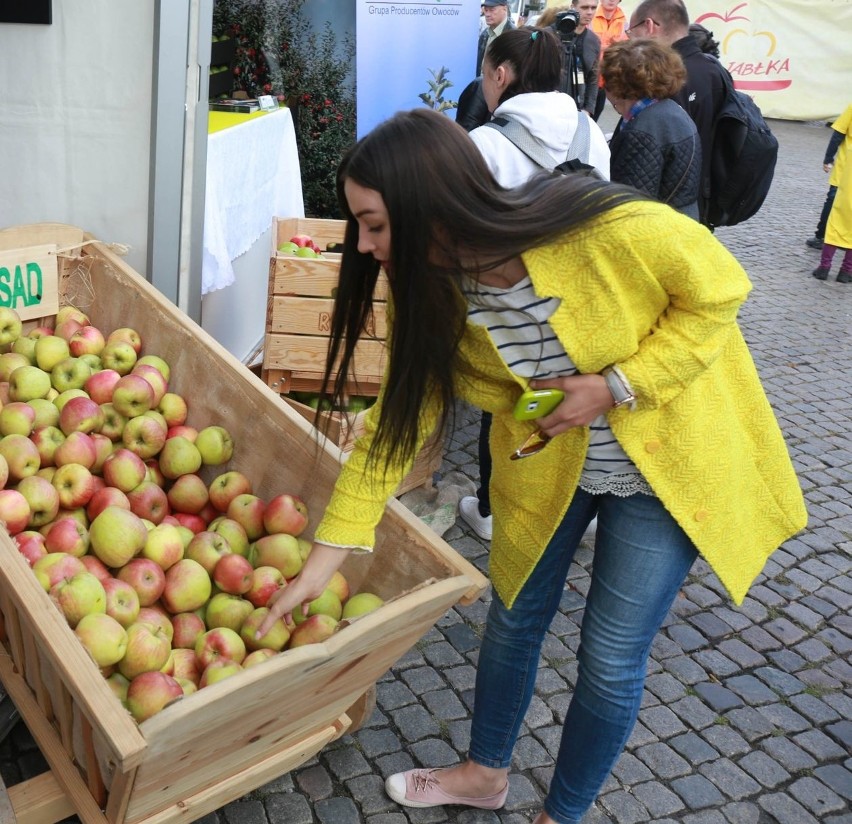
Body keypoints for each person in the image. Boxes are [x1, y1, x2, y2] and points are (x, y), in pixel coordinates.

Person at [256, 107, 807, 824]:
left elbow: (719, 291)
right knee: (513, 620)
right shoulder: (435, 289)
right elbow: (394, 428)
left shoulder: (603, 227)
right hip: (549, 463)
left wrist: (613, 387)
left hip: (663, 462)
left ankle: (564, 813)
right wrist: (318, 569)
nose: (365, 245)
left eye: (376, 224)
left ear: (434, 202)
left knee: (609, 659)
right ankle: (485, 775)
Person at [459, 26, 611, 540]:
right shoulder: (591, 132)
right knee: (571, 400)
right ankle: (571, 511)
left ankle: (491, 509)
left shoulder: (485, 142)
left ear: (500, 74)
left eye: (486, 72)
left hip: (513, 301)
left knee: (509, 404)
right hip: (585, 299)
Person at [627, 0, 728, 225]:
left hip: (667, 211)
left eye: (631, 32)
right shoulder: (717, 71)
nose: (630, 41)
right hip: (703, 202)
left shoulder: (669, 77)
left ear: (650, 26)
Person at [602, 39, 701, 219]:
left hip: (656, 231)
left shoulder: (642, 130)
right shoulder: (671, 110)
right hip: (680, 222)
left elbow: (629, 207)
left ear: (618, 84)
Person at [811, 104, 852, 283]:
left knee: (835, 217)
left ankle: (824, 266)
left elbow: (838, 133)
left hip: (846, 173)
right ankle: (846, 272)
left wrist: (828, 158)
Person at [536, 2, 600, 116]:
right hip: (545, 106)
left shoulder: (593, 41)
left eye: (593, 8)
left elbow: (593, 78)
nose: (590, 12)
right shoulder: (548, 35)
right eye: (585, 7)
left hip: (576, 108)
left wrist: (588, 109)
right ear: (573, 7)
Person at [590, 0, 628, 121]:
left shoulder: (625, 23)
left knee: (595, 118)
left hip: (609, 80)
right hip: (588, 77)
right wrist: (612, 46)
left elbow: (626, 50)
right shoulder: (590, 17)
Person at [477, 0, 515, 76]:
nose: (487, 14)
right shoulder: (485, 34)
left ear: (505, 9)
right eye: (486, 10)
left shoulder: (513, 36)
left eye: (492, 10)